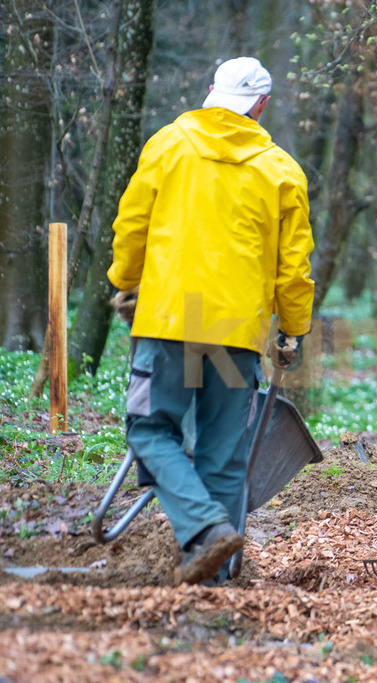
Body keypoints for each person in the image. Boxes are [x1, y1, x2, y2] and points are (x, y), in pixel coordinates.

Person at [107, 57, 315, 585]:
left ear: (211, 91)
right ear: (261, 106)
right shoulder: (281, 171)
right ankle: (216, 583)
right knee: (222, 456)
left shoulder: (168, 145)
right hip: (234, 335)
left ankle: (203, 527)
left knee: (150, 430)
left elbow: (133, 224)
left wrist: (125, 281)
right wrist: (293, 328)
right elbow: (293, 267)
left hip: (170, 321)